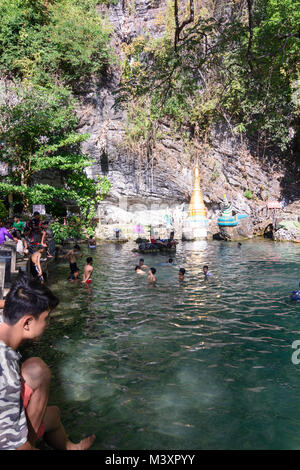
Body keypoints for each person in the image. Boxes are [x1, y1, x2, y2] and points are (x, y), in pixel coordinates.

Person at [0, 274, 95, 450]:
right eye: (46, 319)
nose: (48, 324)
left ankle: (68, 447)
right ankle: (32, 443)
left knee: (52, 414)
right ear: (27, 322)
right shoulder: (5, 374)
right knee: (38, 370)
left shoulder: (4, 323)